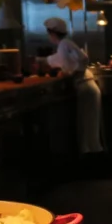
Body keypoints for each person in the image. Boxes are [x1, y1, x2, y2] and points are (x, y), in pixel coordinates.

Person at [44, 17, 103, 154]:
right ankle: (94, 163)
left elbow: (83, 59)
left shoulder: (64, 44)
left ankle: (94, 165)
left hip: (85, 87)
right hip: (86, 88)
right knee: (89, 129)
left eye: (49, 34)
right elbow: (60, 60)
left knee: (88, 129)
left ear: (53, 33)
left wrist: (76, 72)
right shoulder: (64, 45)